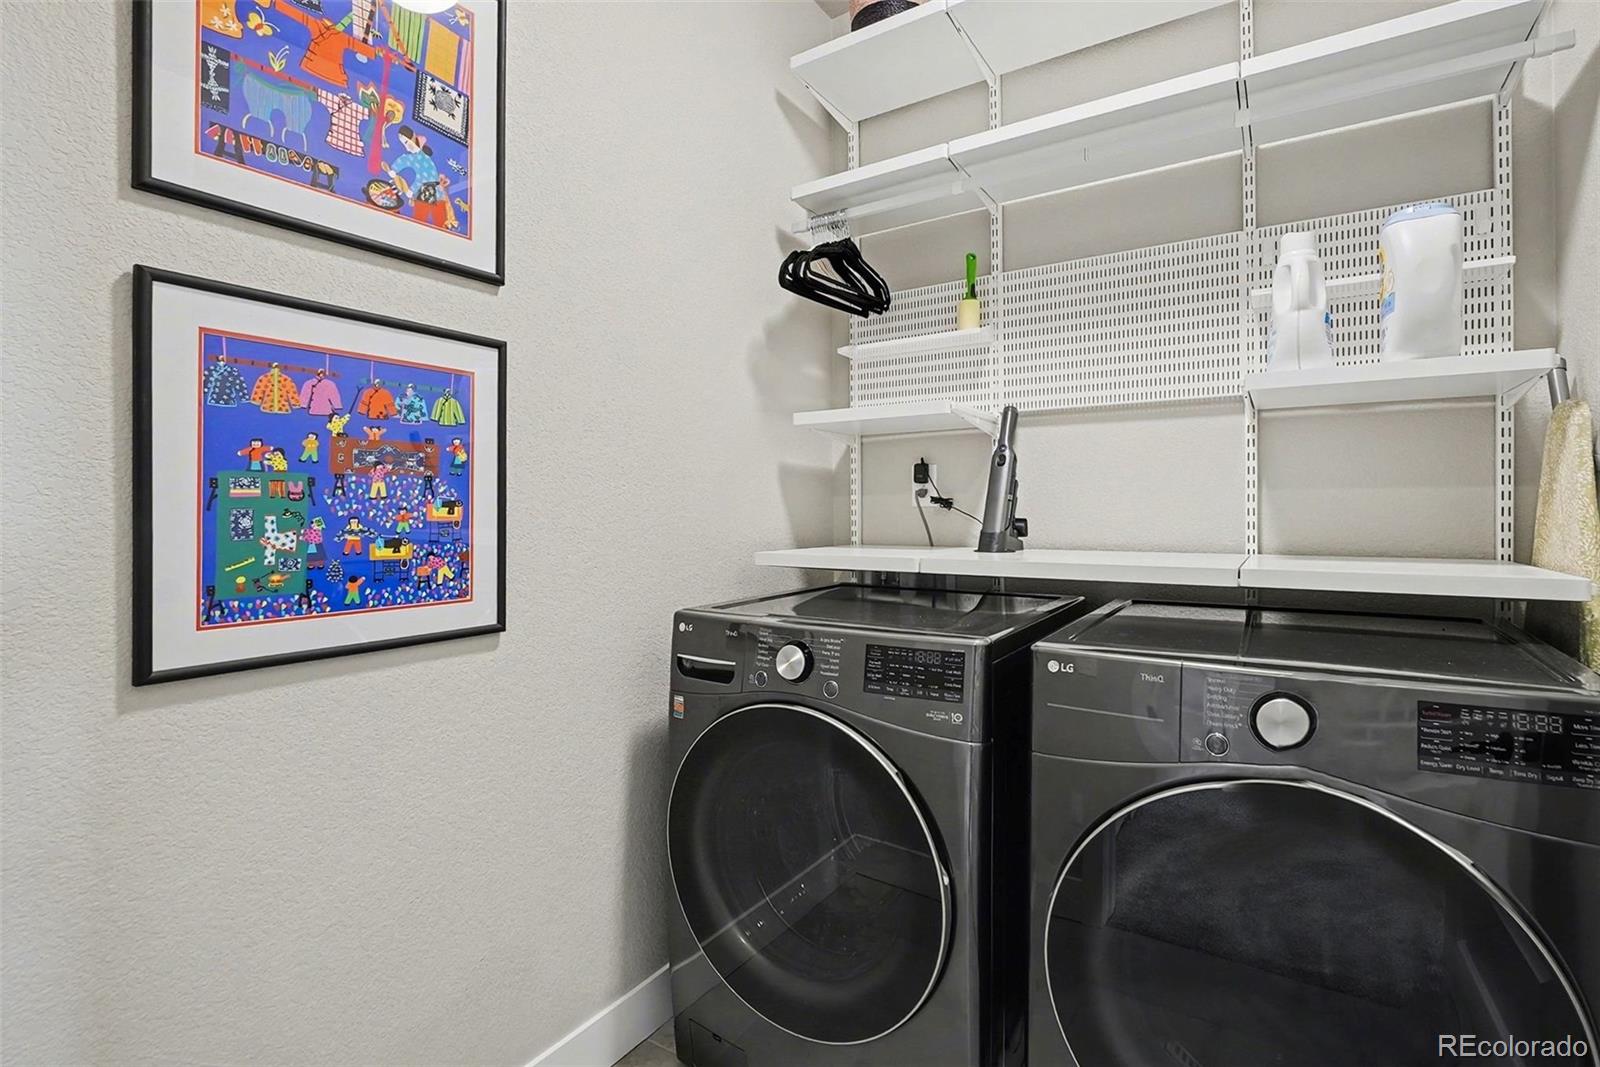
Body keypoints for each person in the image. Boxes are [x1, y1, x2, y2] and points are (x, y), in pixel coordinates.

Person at [387, 126, 449, 228]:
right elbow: (405, 160)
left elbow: (424, 177)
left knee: (438, 222)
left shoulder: (422, 158)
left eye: (407, 143)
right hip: (425, 196)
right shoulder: (414, 157)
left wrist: (411, 190)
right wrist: (394, 170)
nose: (406, 148)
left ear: (413, 138)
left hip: (434, 194)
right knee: (419, 223)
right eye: (404, 144)